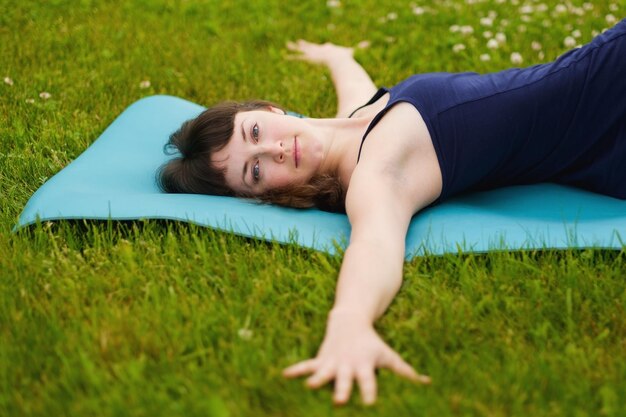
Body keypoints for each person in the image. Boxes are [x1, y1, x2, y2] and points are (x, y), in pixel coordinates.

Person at [158, 18, 626, 405]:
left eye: (255, 132)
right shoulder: (375, 171)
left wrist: (336, 57)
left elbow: (353, 86)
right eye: (255, 172)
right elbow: (375, 244)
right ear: (266, 197)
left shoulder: (362, 113)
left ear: (269, 107)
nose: (275, 150)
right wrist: (349, 322)